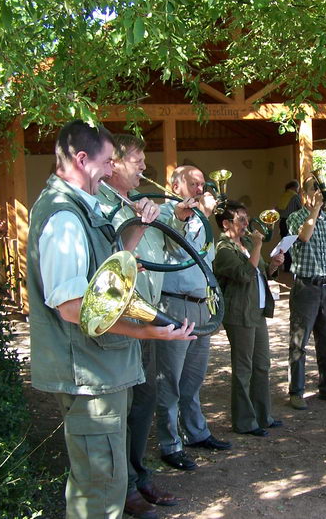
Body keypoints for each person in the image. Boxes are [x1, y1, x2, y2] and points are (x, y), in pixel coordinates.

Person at [26, 120, 195, 519]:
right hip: (89, 375)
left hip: (103, 370)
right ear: (82, 160)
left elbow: (113, 268)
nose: (110, 170)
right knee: (99, 492)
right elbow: (72, 307)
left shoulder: (82, 208)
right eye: (106, 162)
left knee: (110, 482)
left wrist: (140, 223)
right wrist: (146, 330)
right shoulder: (63, 217)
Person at [97, 134, 179, 519]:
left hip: (148, 317)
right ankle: (124, 487)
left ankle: (137, 474)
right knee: (123, 406)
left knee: (144, 402)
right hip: (121, 323)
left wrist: (170, 217)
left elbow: (174, 251)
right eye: (139, 161)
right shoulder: (99, 205)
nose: (145, 168)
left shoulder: (142, 203)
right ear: (113, 163)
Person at [156, 165, 231, 471]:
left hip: (201, 306)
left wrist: (205, 216)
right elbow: (178, 245)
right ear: (176, 185)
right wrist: (189, 216)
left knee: (194, 378)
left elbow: (205, 257)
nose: (201, 189)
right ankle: (170, 443)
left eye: (202, 184)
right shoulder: (164, 213)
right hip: (176, 306)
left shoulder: (202, 218)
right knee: (170, 380)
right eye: (194, 183)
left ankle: (196, 432)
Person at [213, 201, 285, 436]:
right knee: (243, 369)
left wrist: (274, 264)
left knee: (262, 365)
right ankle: (245, 422)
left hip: (257, 311)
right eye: (241, 220)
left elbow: (261, 271)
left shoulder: (244, 244)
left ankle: (263, 416)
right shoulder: (223, 249)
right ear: (226, 224)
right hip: (239, 313)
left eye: (246, 218)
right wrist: (257, 246)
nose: (247, 224)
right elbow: (245, 275)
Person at [286, 175, 326, 410]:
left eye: (321, 190)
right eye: (314, 190)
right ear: (304, 194)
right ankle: (296, 391)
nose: (319, 194)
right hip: (305, 287)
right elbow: (304, 236)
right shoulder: (296, 218)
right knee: (299, 341)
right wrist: (315, 210)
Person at [276, 179, 302, 272]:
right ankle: (292, 267)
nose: (298, 190)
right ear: (294, 187)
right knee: (292, 244)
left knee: (284, 244)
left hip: (282, 222)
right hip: (291, 222)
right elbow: (301, 209)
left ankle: (286, 266)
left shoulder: (284, 196)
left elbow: (277, 209)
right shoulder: (295, 196)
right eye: (298, 188)